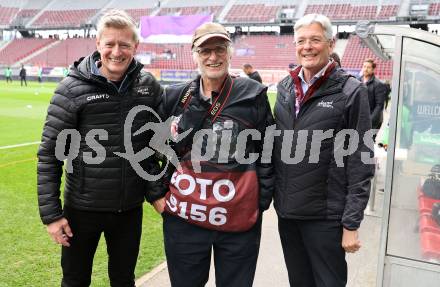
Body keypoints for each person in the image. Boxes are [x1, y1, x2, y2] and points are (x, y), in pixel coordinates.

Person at [37, 9, 166, 286]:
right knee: (75, 280)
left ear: (136, 47)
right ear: (98, 45)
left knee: (123, 280)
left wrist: (156, 191)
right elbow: (50, 154)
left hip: (129, 209)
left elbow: (156, 146)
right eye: (109, 44)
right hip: (82, 209)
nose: (116, 52)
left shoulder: (148, 87)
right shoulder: (71, 89)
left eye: (124, 44)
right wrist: (51, 215)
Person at [155, 22, 274, 287]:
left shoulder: (253, 95)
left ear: (230, 52)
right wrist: (156, 196)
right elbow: (151, 148)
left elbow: (269, 150)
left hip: (238, 221)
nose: (213, 57)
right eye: (205, 50)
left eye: (219, 49)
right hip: (185, 221)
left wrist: (260, 201)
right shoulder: (174, 96)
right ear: (194, 54)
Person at [273, 14, 374, 287]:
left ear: (331, 44)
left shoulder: (351, 91)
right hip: (288, 215)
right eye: (301, 40)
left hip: (325, 219)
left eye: (315, 40)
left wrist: (351, 224)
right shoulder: (284, 88)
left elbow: (360, 161)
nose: (307, 46)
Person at [358, 58, 390, 132]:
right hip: (359, 119)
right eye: (364, 66)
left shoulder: (378, 84)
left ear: (373, 69)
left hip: (373, 121)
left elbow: (379, 106)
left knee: (367, 142)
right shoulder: (357, 81)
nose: (365, 69)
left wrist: (369, 121)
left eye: (368, 67)